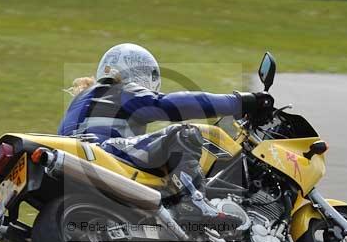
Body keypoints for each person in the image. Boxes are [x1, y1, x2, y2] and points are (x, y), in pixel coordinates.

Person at [58, 43, 274, 230]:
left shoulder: (80, 103)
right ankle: (194, 201)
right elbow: (172, 105)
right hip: (106, 153)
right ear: (140, 72)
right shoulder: (119, 90)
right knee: (184, 133)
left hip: (78, 167)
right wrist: (240, 102)